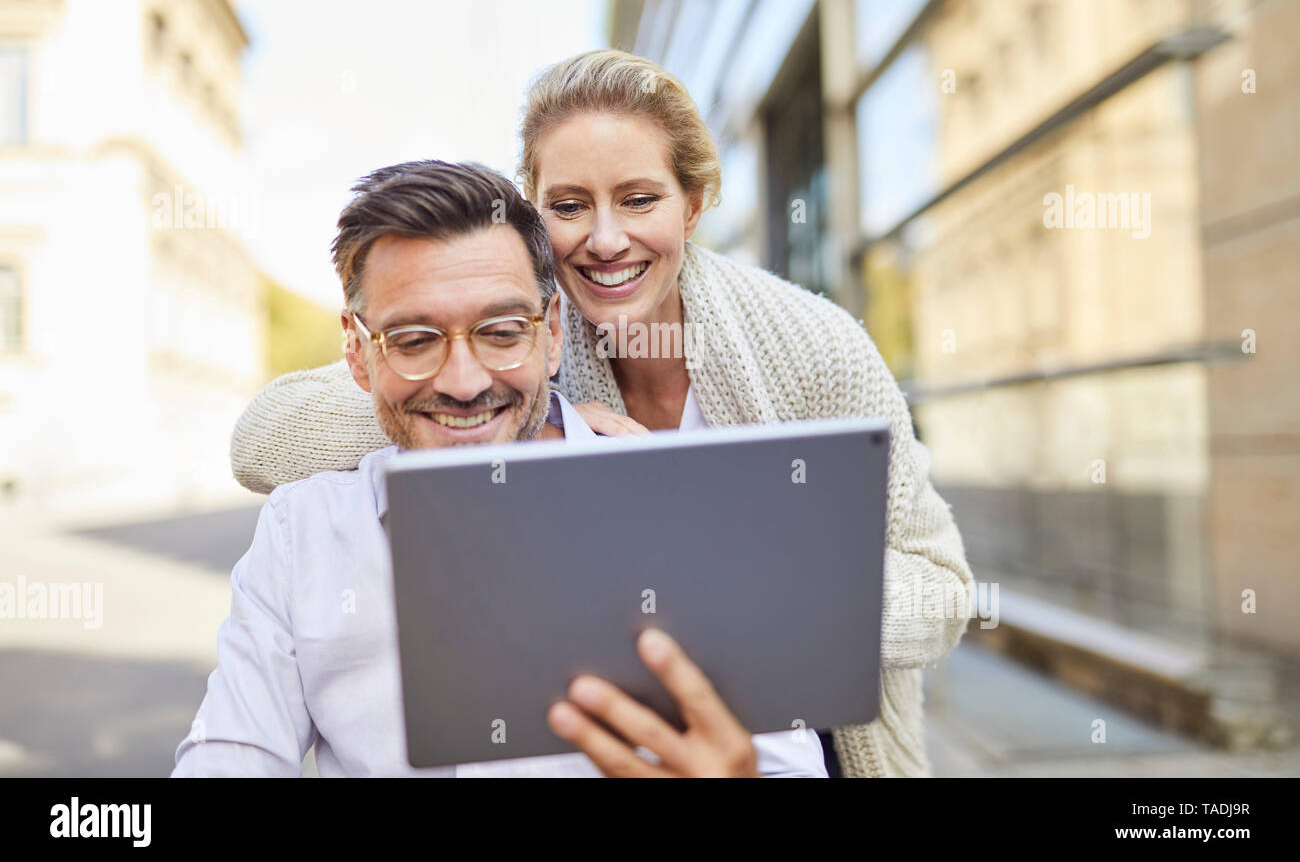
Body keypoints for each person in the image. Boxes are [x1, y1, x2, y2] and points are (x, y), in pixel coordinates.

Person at [228, 50, 975, 777]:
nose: (605, 238)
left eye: (640, 200)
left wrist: (745, 595)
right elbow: (262, 440)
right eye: (569, 206)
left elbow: (942, 587)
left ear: (693, 203)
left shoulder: (814, 347)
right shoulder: (521, 330)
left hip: (808, 729)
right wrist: (530, 406)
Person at [173, 160, 826, 777]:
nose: (463, 382)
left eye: (503, 331)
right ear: (356, 352)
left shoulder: (693, 517)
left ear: (552, 334)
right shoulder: (302, 534)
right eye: (413, 340)